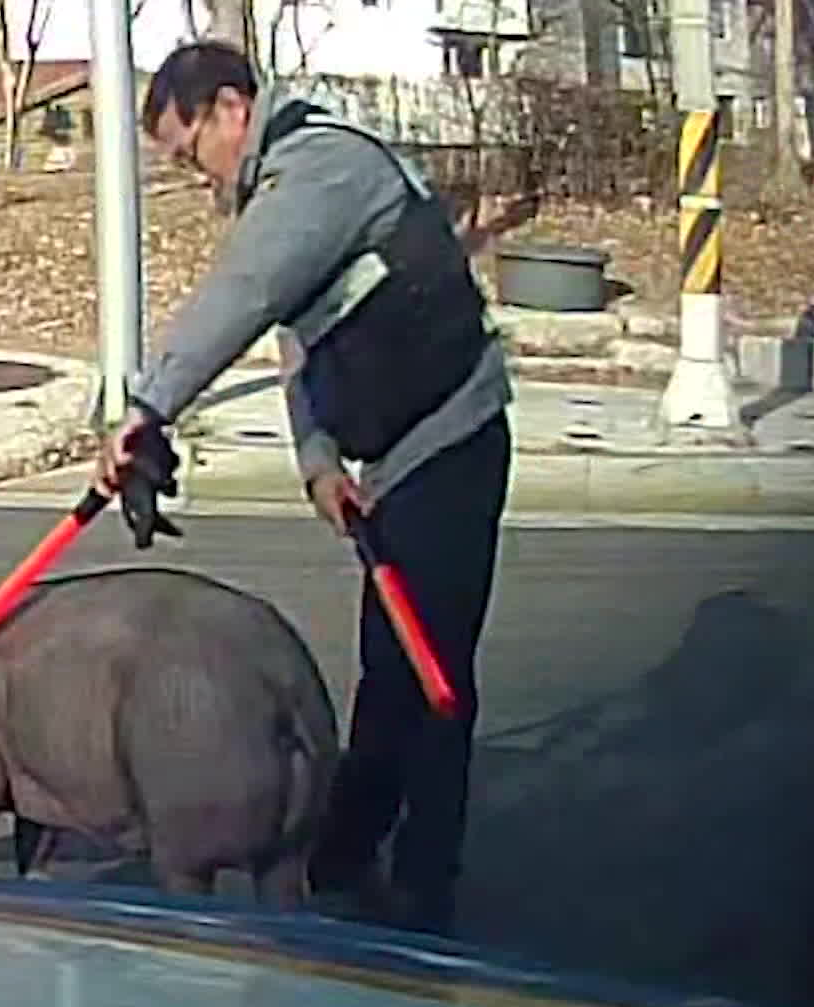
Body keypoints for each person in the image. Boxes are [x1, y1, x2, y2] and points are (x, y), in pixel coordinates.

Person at [92, 41, 514, 936]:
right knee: (389, 666)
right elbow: (300, 339)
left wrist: (145, 408)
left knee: (433, 678)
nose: (195, 175)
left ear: (233, 109)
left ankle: (426, 891)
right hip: (392, 459)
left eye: (188, 149)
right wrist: (320, 462)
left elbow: (243, 294)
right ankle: (345, 858)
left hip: (457, 436)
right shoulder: (289, 191)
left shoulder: (321, 168)